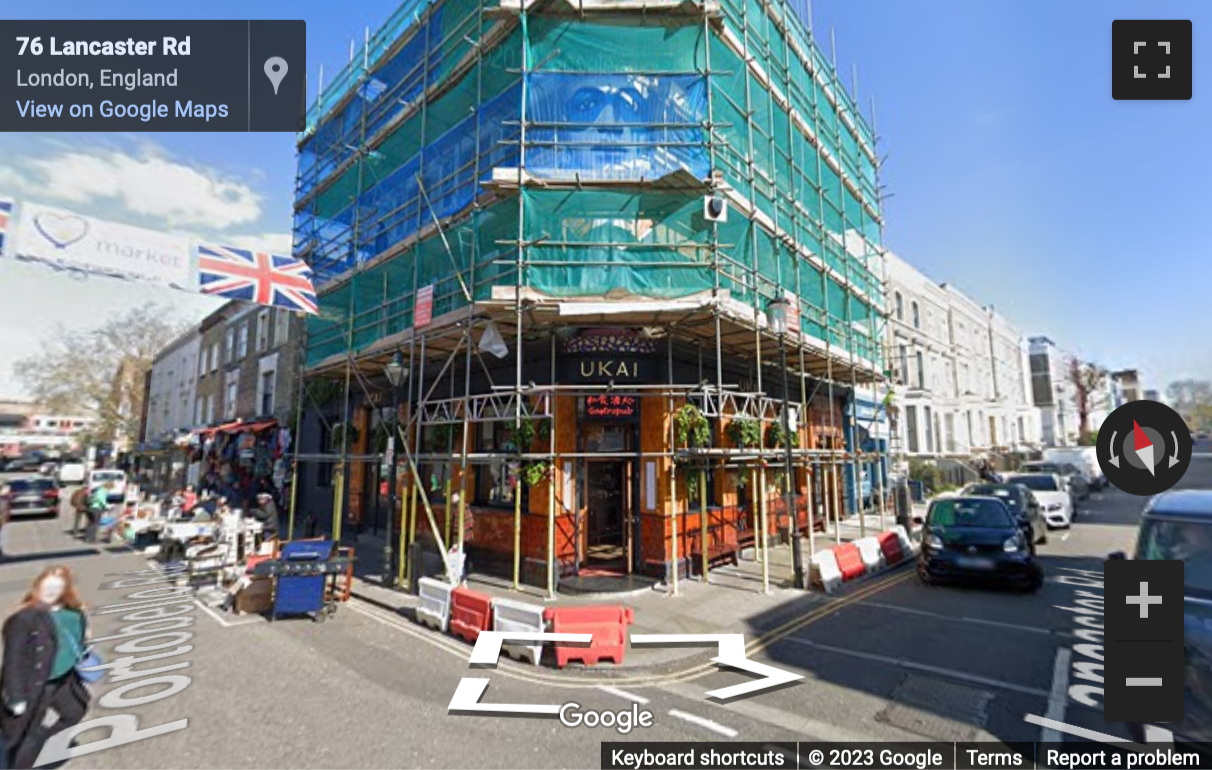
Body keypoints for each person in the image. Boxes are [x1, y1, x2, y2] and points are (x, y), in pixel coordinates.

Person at [1, 566, 92, 769]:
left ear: (65, 589)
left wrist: (84, 640)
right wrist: (15, 697)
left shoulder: (73, 611)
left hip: (65, 678)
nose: (51, 592)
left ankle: (40, 744)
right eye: (47, 587)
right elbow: (13, 661)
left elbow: (79, 634)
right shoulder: (23, 619)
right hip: (37, 684)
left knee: (75, 711)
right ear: (37, 587)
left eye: (57, 587)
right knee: (27, 736)